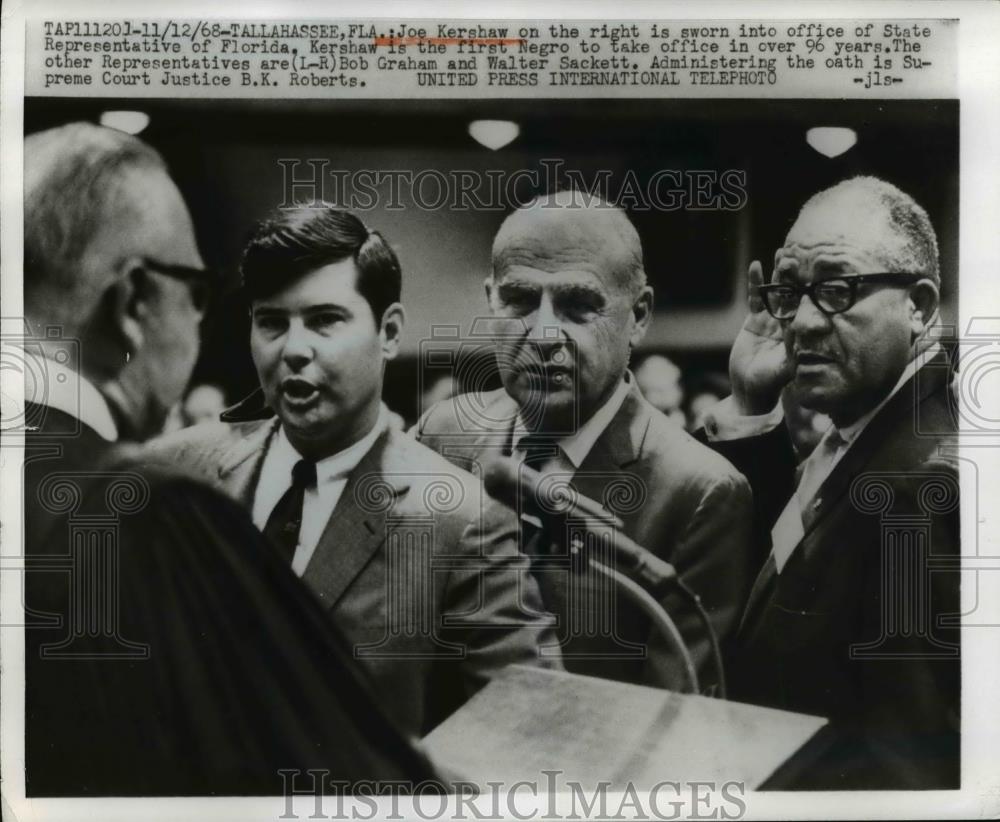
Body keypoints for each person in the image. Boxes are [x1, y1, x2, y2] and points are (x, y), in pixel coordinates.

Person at [20, 123, 435, 795]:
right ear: (134, 303)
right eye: (198, 293)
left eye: (325, 320)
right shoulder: (146, 511)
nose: (293, 348)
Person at [146, 204, 559, 737]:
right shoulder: (178, 471)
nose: (293, 349)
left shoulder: (461, 522)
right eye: (271, 322)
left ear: (389, 333)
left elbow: (531, 734)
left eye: (324, 320)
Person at [415, 192, 755, 690]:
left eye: (577, 306)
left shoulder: (698, 492)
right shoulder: (442, 436)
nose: (544, 333)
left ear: (638, 316)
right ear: (491, 298)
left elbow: (675, 719)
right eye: (521, 301)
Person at [702, 176, 959, 789]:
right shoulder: (874, 437)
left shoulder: (923, 489)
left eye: (838, 290)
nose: (803, 323)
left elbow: (911, 768)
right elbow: (794, 575)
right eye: (790, 292)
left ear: (918, 306)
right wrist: (751, 404)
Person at [634, 353, 686, 428]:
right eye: (645, 391)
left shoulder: (678, 418)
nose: (652, 398)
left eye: (659, 391)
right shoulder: (639, 419)